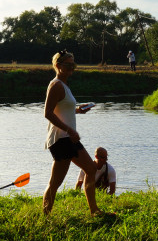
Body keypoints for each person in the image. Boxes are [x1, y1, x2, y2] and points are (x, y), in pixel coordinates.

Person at [43, 50, 110, 216]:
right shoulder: (56, 85)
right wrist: (69, 129)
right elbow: (48, 113)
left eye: (74, 64)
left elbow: (62, 109)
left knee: (91, 169)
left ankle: (94, 211)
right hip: (61, 139)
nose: (72, 67)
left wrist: (78, 110)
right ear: (58, 66)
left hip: (69, 138)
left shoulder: (64, 85)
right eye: (68, 64)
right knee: (55, 183)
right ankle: (45, 216)